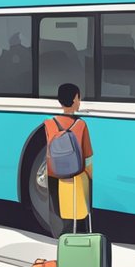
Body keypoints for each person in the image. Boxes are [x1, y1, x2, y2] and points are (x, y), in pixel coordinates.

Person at [44, 83, 93, 230]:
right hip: (75, 174)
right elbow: (87, 155)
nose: (79, 101)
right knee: (78, 212)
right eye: (78, 98)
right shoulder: (81, 125)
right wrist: (90, 177)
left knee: (58, 210)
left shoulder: (49, 123)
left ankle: (61, 236)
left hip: (54, 174)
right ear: (74, 99)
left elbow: (48, 152)